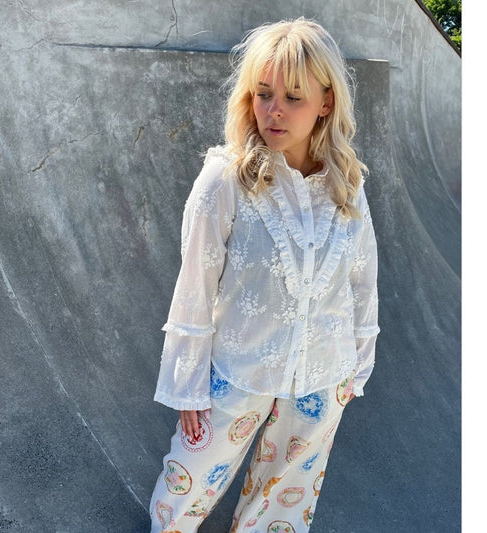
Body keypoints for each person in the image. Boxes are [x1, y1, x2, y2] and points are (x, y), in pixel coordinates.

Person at [150, 17, 379, 533]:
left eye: (294, 97)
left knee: (282, 509)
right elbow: (195, 285)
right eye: (263, 93)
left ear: (326, 102)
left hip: (323, 374)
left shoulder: (346, 183)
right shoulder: (225, 178)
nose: (274, 110)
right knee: (185, 490)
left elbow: (362, 278)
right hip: (238, 373)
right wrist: (189, 385)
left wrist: (356, 366)